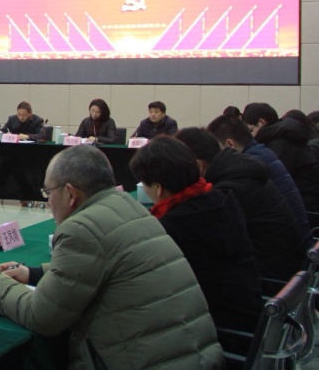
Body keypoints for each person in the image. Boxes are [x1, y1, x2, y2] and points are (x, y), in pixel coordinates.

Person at [0, 145, 224, 370]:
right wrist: (34, 274)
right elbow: (105, 265)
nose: (48, 201)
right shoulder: (129, 207)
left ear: (70, 193)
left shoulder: (81, 228)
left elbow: (42, 317)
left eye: (48, 192)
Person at [129, 137, 262, 335]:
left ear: (158, 187)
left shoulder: (172, 227)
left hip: (217, 330)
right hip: (249, 315)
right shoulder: (222, 197)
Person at [175, 127, 305, 282]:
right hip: (290, 272)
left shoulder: (227, 191)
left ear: (198, 166)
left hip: (270, 280)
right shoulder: (240, 171)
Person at [206, 114, 310, 240]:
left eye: (216, 147)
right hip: (299, 237)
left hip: (289, 242)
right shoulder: (262, 153)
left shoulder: (248, 167)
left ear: (229, 144)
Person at [243, 102, 319, 222]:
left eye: (251, 130)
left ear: (261, 122)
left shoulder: (280, 143)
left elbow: (271, 184)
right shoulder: (285, 136)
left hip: (305, 213)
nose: (251, 136)